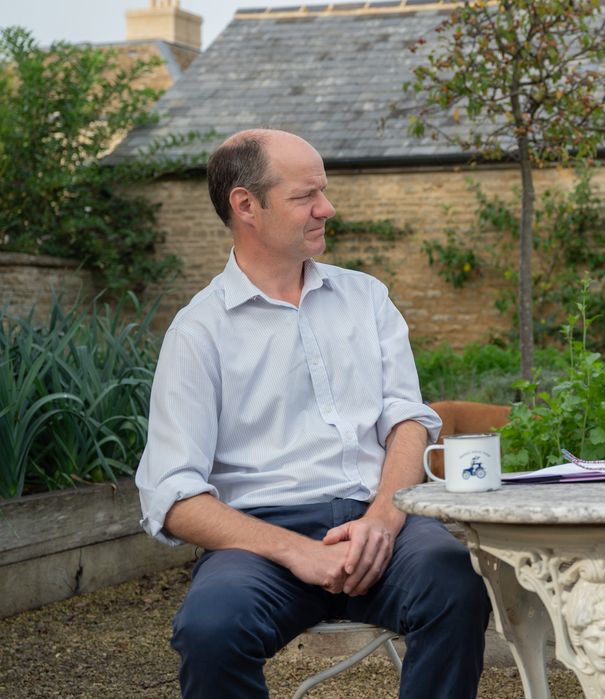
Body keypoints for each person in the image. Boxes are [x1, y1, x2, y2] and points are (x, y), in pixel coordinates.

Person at [135, 129, 491, 699]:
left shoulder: (366, 298)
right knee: (210, 628)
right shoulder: (199, 331)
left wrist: (383, 517)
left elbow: (408, 420)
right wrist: (297, 552)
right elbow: (173, 495)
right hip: (259, 542)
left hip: (377, 525)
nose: (327, 208)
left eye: (322, 192)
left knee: (456, 581)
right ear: (247, 205)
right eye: (306, 196)